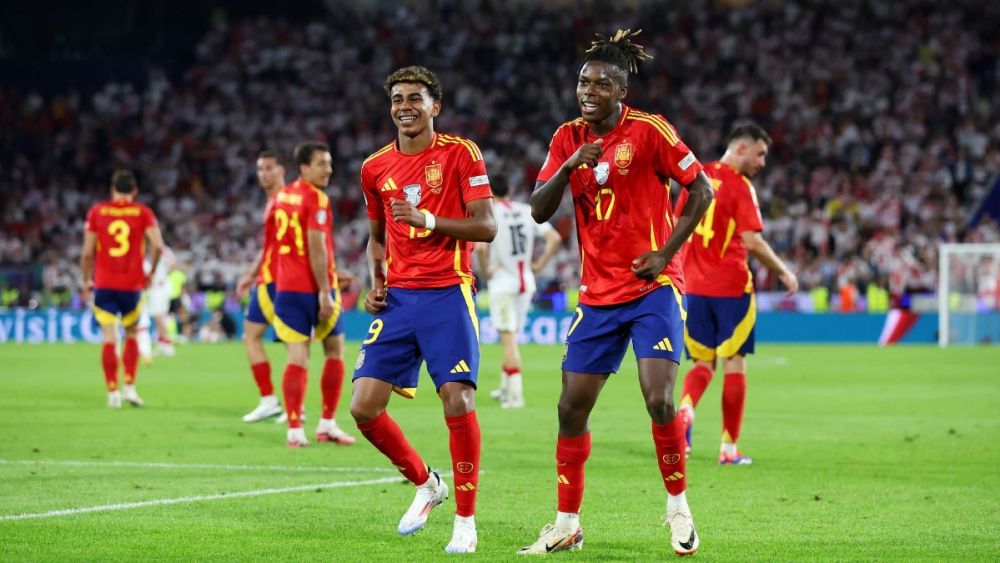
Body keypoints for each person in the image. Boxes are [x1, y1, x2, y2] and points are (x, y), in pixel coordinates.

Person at [517, 30, 714, 556]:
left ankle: (678, 507)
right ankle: (565, 522)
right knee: (569, 409)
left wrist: (666, 251)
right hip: (597, 295)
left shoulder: (649, 131)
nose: (589, 90)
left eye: (601, 84)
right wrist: (567, 166)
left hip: (653, 287)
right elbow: (538, 210)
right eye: (584, 81)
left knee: (659, 399)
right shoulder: (566, 138)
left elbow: (702, 189)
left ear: (620, 91)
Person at [352, 65, 497, 554]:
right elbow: (376, 237)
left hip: (447, 293)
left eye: (416, 98)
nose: (405, 107)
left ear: (436, 105)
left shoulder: (460, 154)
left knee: (458, 400)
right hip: (398, 299)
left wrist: (428, 219)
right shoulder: (375, 167)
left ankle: (466, 521)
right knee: (363, 408)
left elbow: (487, 227)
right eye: (397, 98)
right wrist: (376, 285)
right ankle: (426, 482)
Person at [675, 123, 799, 465]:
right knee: (734, 363)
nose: (762, 161)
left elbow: (676, 228)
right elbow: (752, 241)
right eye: (760, 153)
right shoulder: (741, 187)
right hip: (731, 288)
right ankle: (728, 449)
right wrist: (783, 271)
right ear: (741, 148)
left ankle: (684, 410)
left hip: (693, 288)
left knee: (702, 362)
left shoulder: (694, 177)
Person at [272, 141, 355, 447]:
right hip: (314, 289)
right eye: (322, 163)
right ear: (304, 167)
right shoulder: (316, 198)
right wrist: (325, 289)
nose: (328, 169)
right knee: (334, 351)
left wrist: (332, 273)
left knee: (297, 356)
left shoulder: (283, 195)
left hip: (287, 287)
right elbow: (316, 245)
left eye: (330, 163)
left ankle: (294, 429)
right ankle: (327, 423)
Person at [474, 175, 562, 408]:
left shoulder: (490, 213)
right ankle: (504, 388)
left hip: (503, 283)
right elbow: (554, 238)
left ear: (490, 192)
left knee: (508, 340)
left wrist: (486, 272)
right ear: (510, 188)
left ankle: (515, 396)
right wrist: (540, 265)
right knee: (513, 338)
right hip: (526, 282)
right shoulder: (526, 210)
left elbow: (481, 249)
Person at [80, 169, 164, 408]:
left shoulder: (97, 212)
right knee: (131, 334)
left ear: (112, 189)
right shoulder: (143, 213)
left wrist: (86, 279)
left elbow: (87, 253)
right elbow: (158, 246)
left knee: (109, 337)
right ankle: (130, 387)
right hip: (132, 283)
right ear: (134, 191)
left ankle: (112, 392)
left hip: (105, 283)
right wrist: (151, 272)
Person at [236, 151, 286, 423]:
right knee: (251, 336)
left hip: (282, 281)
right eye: (260, 169)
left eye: (269, 168)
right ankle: (269, 400)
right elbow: (269, 246)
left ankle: (295, 406)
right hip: (265, 279)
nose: (263, 174)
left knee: (293, 345)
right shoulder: (271, 201)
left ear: (281, 171)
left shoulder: (287, 199)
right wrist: (250, 273)